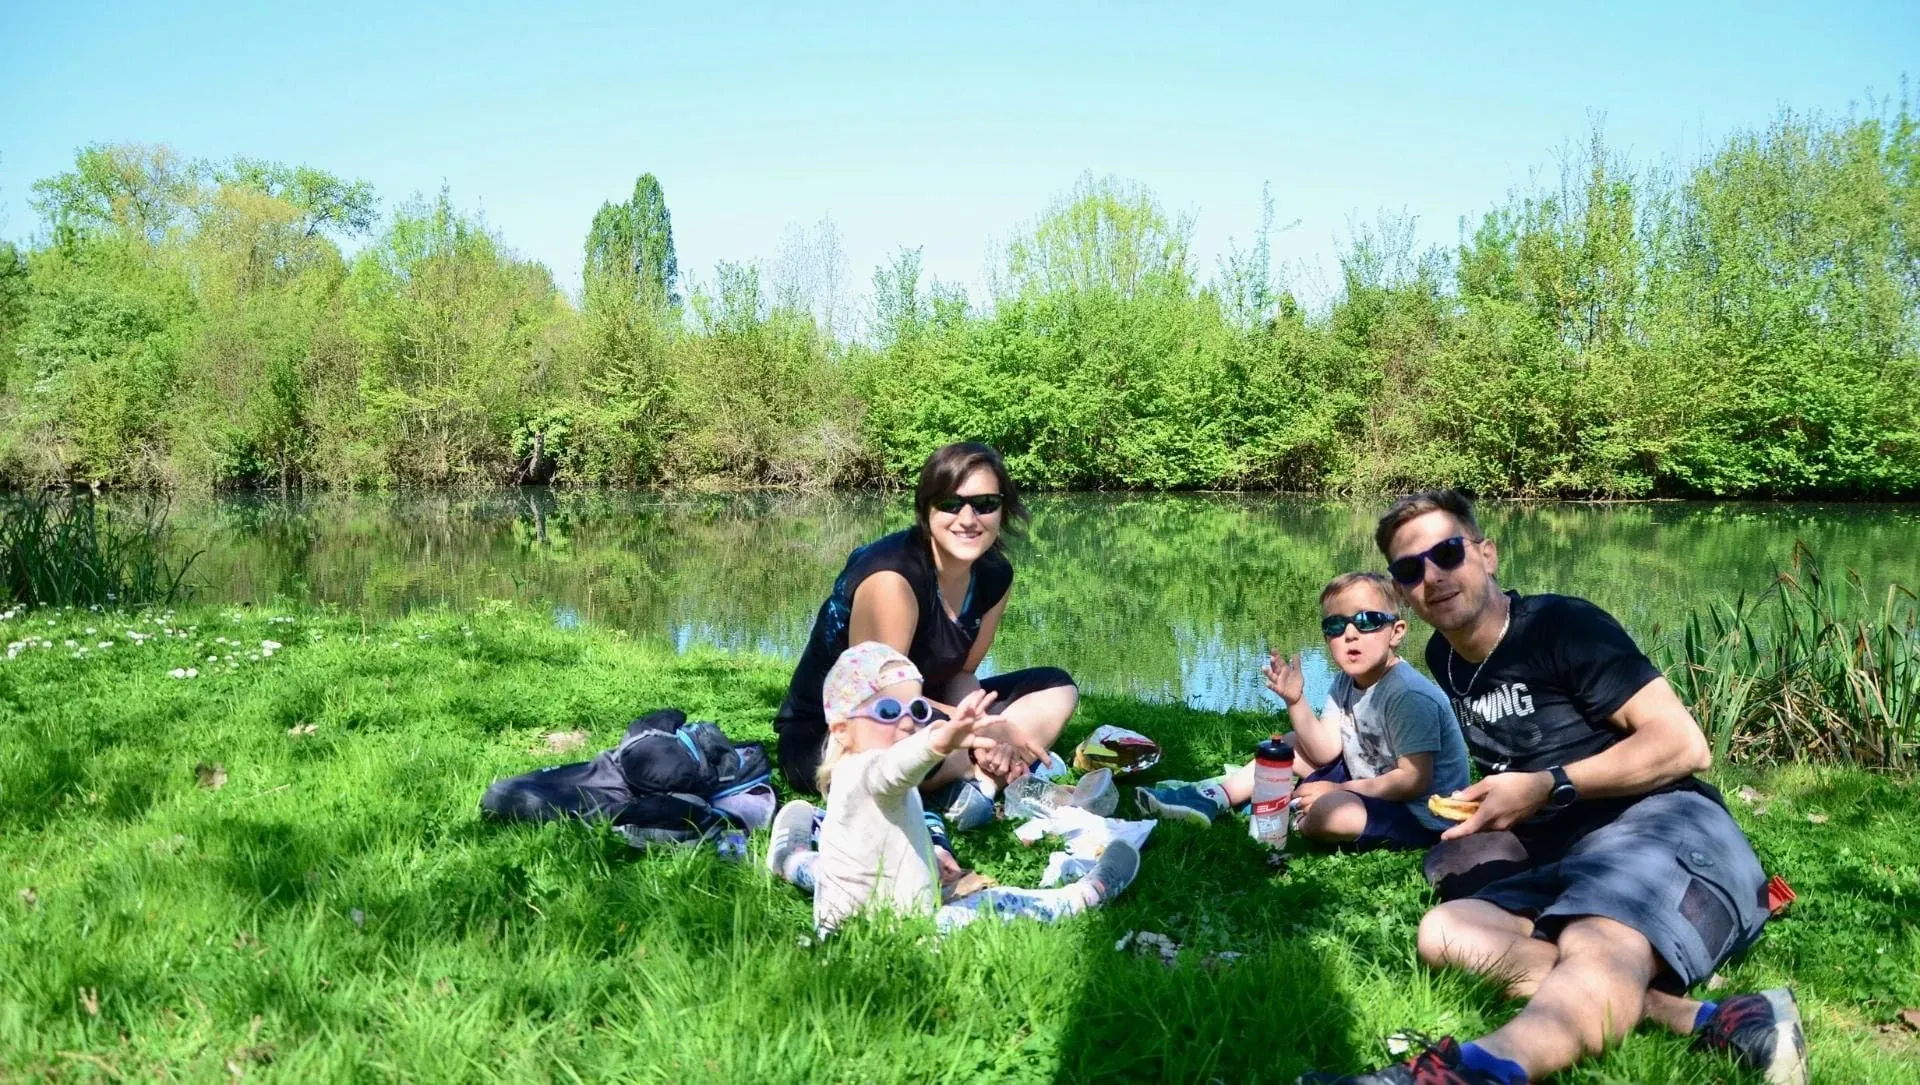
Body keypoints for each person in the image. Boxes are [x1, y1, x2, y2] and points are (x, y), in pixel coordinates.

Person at [1298, 490, 1803, 1085]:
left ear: (1486, 554)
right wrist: (1499, 797)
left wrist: (1549, 785)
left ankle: (1478, 1070)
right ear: (1402, 589)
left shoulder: (1564, 626)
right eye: (1411, 569)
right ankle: (1716, 1020)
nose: (1432, 576)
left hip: (1659, 825)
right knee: (1444, 931)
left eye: (1448, 553)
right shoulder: (1446, 655)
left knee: (1593, 937)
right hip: (1565, 852)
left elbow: (1683, 745)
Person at [773, 442, 1078, 838]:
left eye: (985, 503)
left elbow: (962, 674)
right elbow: (879, 702)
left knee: (1057, 688)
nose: (968, 518)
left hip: (925, 714)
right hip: (838, 734)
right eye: (951, 503)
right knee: (908, 742)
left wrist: (988, 723)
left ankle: (977, 778)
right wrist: (986, 729)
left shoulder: (994, 575)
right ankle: (985, 771)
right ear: (926, 509)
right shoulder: (892, 578)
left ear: (1003, 510)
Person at [765, 642, 1138, 936]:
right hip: (900, 929)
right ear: (842, 729)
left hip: (854, 918)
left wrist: (934, 849)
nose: (908, 723)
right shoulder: (866, 771)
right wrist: (940, 740)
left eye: (918, 710)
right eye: (888, 712)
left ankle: (791, 857)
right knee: (1000, 902)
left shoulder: (868, 770)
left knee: (834, 872)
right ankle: (1084, 895)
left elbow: (905, 813)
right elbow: (895, 770)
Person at [1135, 572, 1469, 851]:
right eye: (1336, 626)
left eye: (1367, 621)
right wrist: (1296, 701)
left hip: (1418, 814)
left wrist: (1338, 790)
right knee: (1290, 745)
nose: (1350, 634)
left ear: (1396, 632)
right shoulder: (1345, 681)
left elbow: (1412, 781)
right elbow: (1324, 749)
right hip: (1367, 778)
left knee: (1331, 813)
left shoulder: (1408, 695)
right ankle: (1214, 798)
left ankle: (1290, 811)